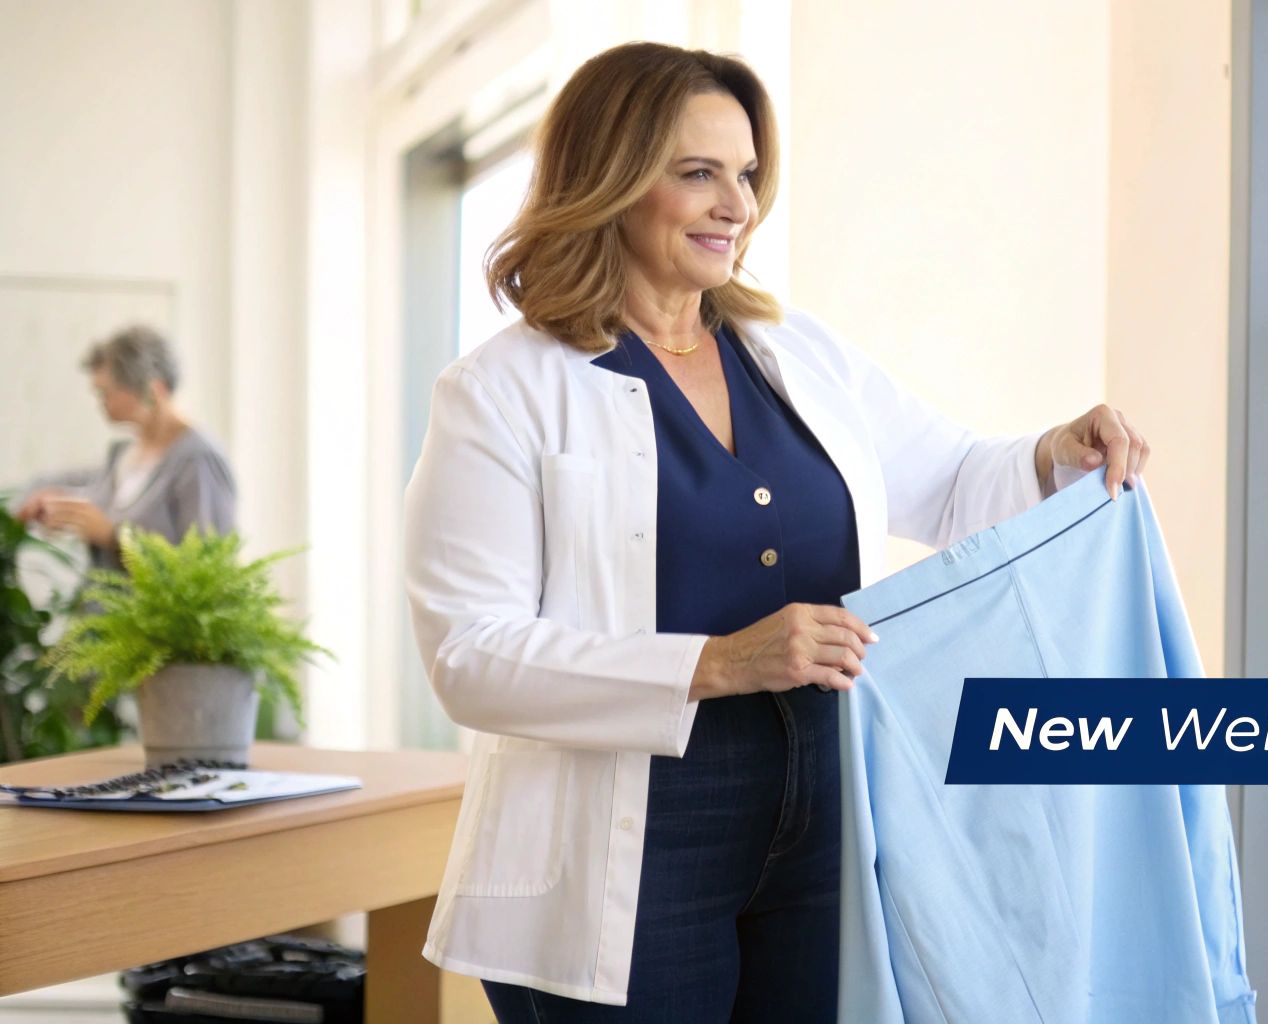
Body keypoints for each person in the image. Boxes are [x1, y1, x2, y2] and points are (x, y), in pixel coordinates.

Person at [402, 41, 1151, 1023]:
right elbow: (469, 654)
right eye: (698, 173)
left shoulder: (795, 354)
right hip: (625, 856)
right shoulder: (504, 390)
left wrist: (1056, 450)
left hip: (824, 833)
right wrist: (711, 663)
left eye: (747, 174)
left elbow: (953, 483)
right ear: (611, 181)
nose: (737, 205)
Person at [13, 325, 235, 571]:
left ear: (153, 390)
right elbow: (75, 486)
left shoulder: (197, 460)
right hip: (99, 608)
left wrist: (113, 537)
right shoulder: (125, 455)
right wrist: (52, 502)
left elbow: (207, 568)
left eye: (106, 392)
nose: (101, 403)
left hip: (149, 611)